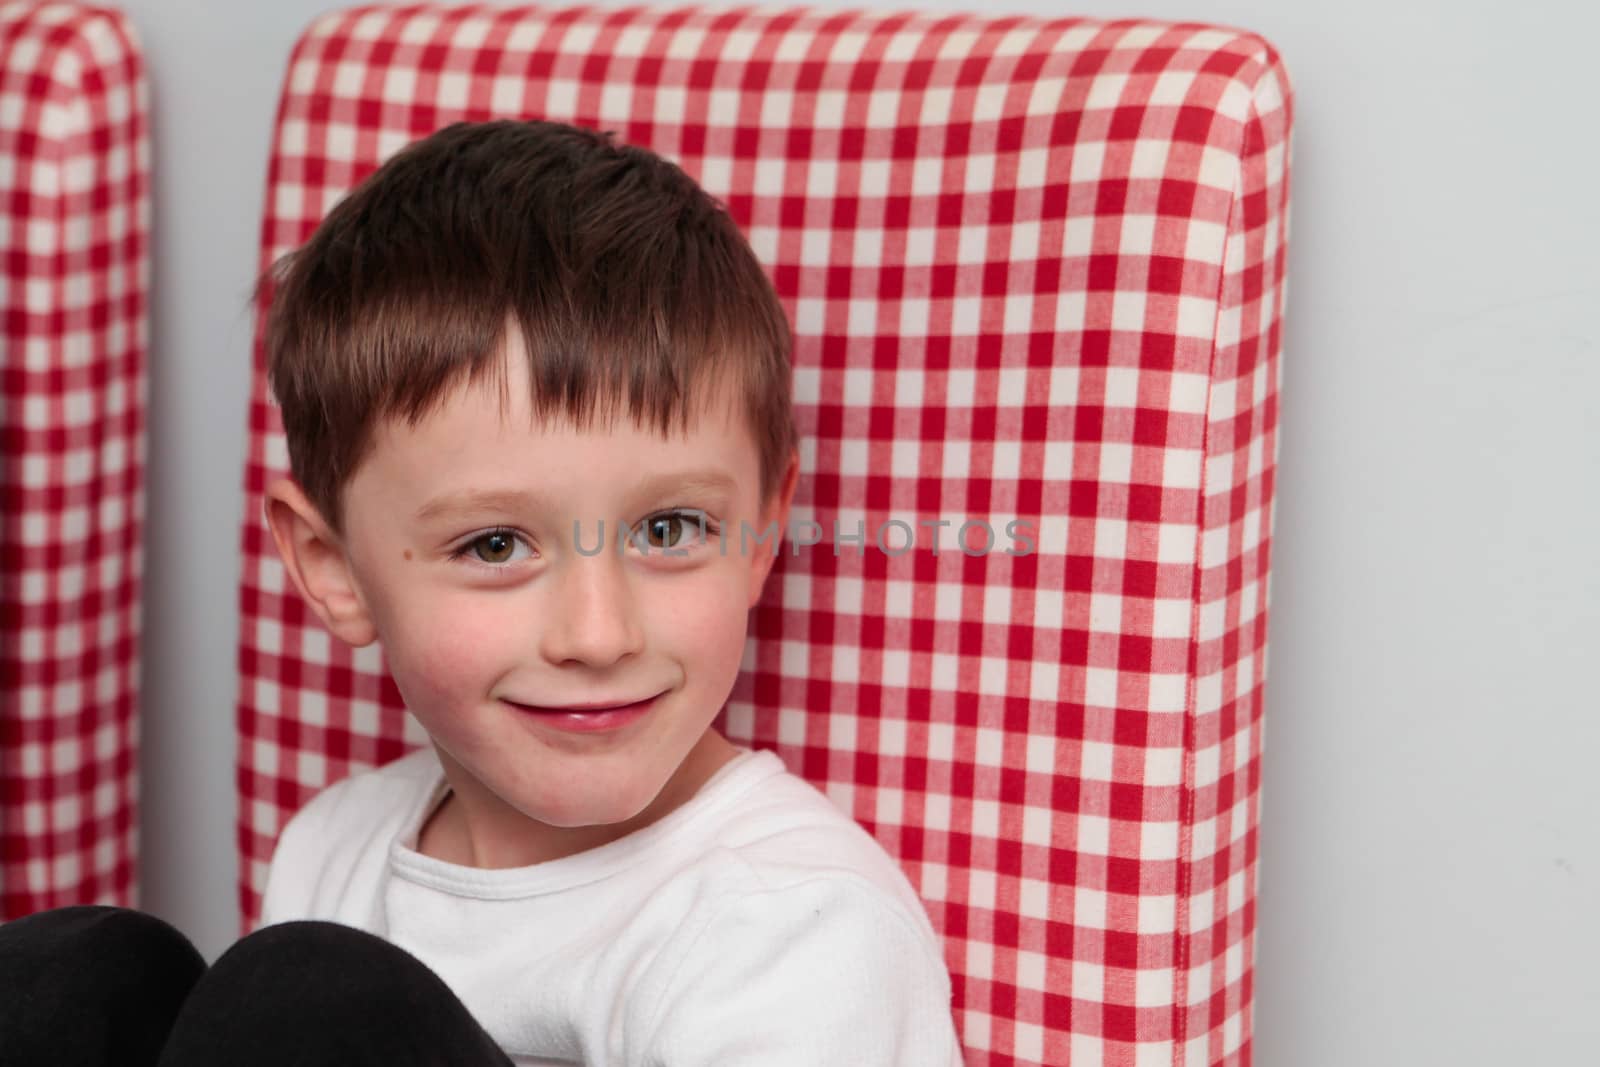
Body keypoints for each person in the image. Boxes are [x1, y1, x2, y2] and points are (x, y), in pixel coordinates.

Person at [253, 119, 964, 1065]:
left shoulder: (789, 930)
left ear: (762, 525)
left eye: (668, 530)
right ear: (334, 568)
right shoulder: (330, 852)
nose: (598, 634)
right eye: (497, 543)